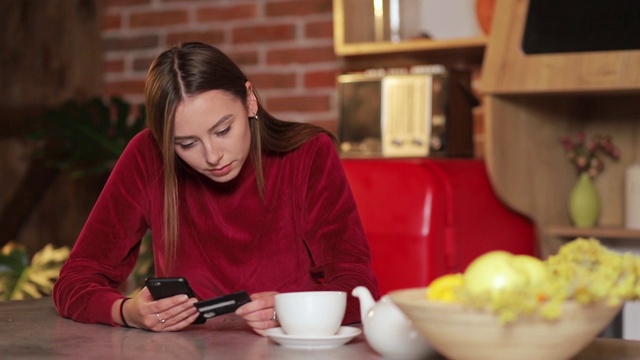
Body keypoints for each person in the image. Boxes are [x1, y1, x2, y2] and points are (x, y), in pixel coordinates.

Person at [52, 42, 380, 333]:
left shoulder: (308, 154)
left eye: (223, 130)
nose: (212, 156)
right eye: (187, 143)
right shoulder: (148, 157)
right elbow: (75, 281)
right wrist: (127, 312)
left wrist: (288, 309)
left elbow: (358, 287)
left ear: (249, 100)